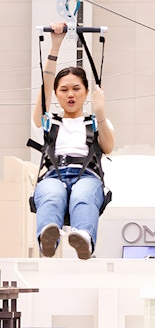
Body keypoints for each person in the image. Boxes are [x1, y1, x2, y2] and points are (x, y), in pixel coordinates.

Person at [32, 22, 115, 259]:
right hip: (53, 174)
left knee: (83, 196)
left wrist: (100, 113)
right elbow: (46, 84)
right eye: (64, 90)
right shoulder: (49, 122)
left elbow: (108, 146)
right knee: (51, 194)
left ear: (86, 92)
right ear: (56, 94)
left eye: (76, 89)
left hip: (86, 175)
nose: (70, 94)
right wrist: (54, 47)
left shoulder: (96, 122)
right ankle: (47, 238)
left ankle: (84, 239)